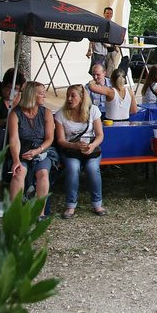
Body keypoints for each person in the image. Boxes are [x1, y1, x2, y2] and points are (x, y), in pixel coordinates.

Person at [54, 84, 106, 218]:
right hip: (71, 150)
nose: (69, 99)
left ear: (82, 97)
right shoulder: (61, 114)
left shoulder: (93, 110)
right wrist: (74, 146)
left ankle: (97, 204)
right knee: (73, 167)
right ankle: (70, 206)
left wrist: (92, 146)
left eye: (73, 95)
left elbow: (100, 135)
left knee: (92, 168)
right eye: (68, 96)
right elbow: (60, 141)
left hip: (90, 149)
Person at [8, 81, 56, 207]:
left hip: (42, 151)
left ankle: (40, 213)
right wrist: (16, 160)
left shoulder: (46, 112)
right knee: (19, 173)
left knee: (43, 174)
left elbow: (50, 138)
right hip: (22, 150)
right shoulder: (15, 114)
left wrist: (37, 151)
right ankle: (15, 211)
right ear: (31, 95)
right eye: (41, 93)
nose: (44, 96)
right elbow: (14, 139)